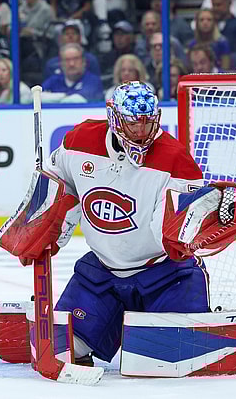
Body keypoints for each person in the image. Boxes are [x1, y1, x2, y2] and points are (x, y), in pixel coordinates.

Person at [37, 82, 211, 366]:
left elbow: (169, 231)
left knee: (168, 360)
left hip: (165, 276)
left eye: (147, 122)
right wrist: (44, 224)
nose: (141, 131)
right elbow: (59, 183)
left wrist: (188, 229)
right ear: (115, 118)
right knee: (65, 350)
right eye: (133, 123)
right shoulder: (80, 140)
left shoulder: (177, 160)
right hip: (102, 272)